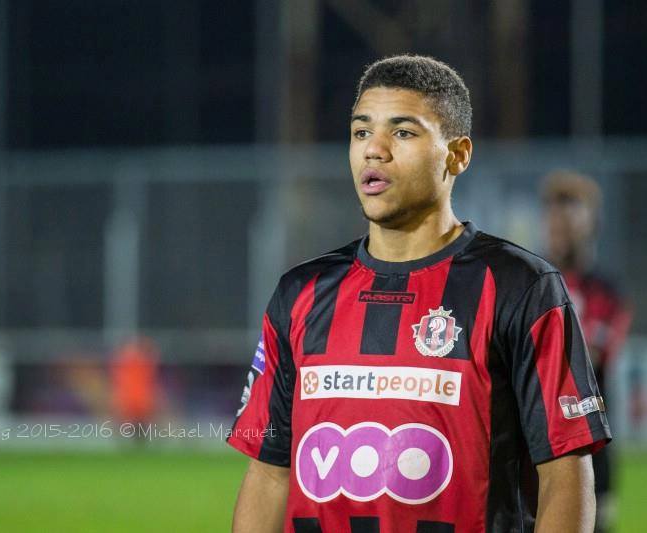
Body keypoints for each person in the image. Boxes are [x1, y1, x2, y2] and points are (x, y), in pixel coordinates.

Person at [228, 55, 610, 533]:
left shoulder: (521, 287)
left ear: (458, 154)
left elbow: (565, 473)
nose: (374, 150)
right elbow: (269, 473)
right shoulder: (300, 292)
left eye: (403, 132)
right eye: (361, 131)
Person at [542, 171, 633, 533]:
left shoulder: (607, 291)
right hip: (537, 443)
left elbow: (595, 357)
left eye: (571, 216)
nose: (561, 226)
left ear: (590, 224)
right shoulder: (529, 283)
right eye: (555, 216)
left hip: (594, 446)